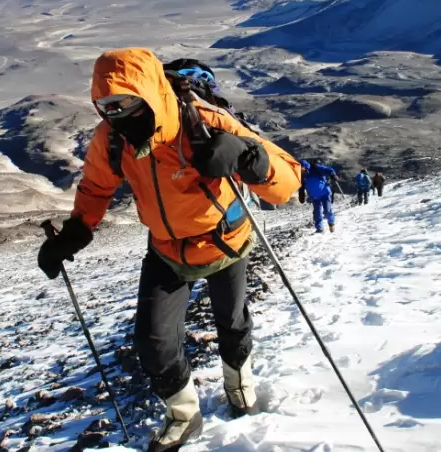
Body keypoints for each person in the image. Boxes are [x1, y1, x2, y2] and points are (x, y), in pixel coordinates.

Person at [36, 49, 301, 452]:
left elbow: (287, 183)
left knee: (231, 322)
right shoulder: (112, 139)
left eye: (126, 101)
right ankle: (183, 414)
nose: (117, 112)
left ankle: (239, 384)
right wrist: (76, 231)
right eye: (106, 105)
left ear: (149, 93)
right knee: (153, 342)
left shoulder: (206, 122)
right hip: (165, 248)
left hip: (224, 240)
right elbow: (95, 187)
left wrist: (250, 156)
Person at [298, 159, 338, 233]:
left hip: (325, 193)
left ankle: (331, 223)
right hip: (315, 197)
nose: (301, 170)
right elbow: (302, 186)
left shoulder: (315, 168)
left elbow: (327, 170)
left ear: (305, 167)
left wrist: (333, 174)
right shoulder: (302, 175)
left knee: (327, 211)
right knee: (317, 213)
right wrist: (301, 194)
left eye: (301, 168)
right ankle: (319, 229)